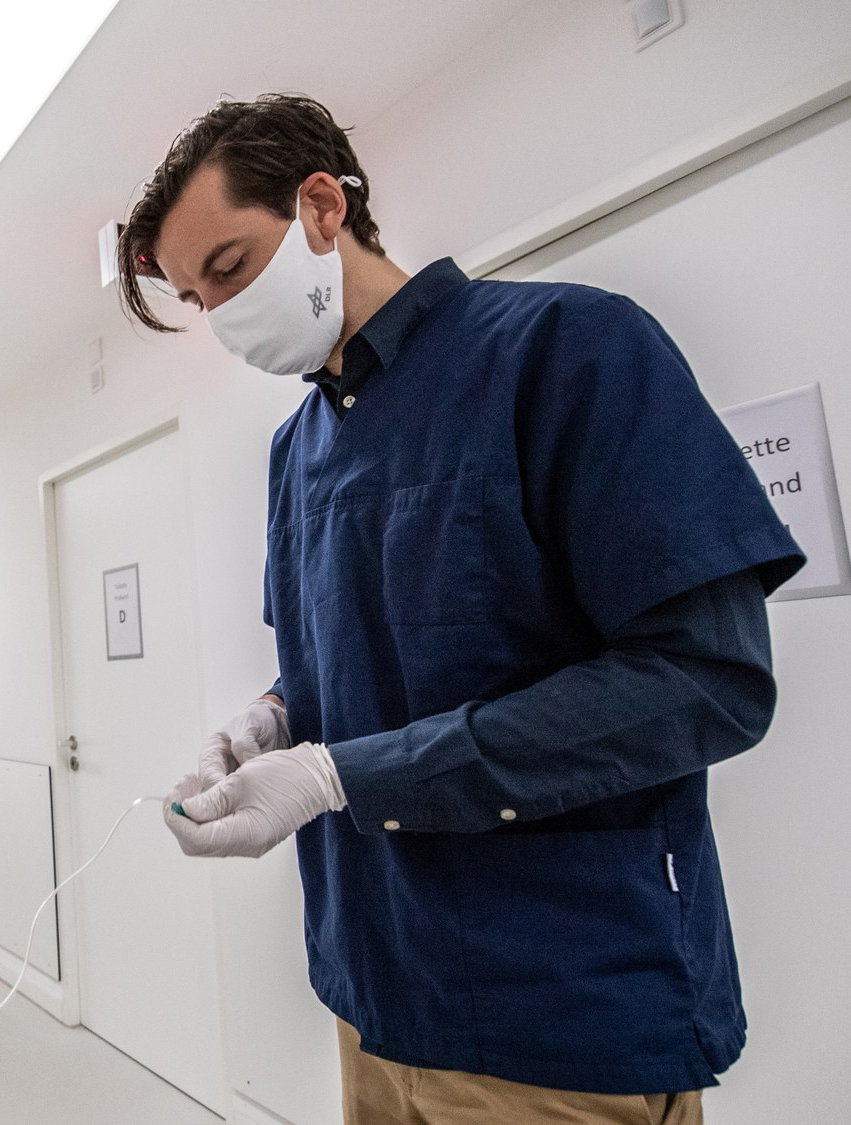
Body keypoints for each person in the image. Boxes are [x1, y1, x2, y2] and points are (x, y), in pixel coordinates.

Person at [118, 94, 804, 1124]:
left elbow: (704, 679)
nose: (221, 315)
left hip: (553, 1015)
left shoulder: (564, 350)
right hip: (370, 992)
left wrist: (341, 775)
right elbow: (341, 659)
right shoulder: (296, 449)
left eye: (229, 267)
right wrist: (272, 717)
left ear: (320, 208)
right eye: (196, 297)